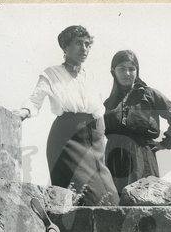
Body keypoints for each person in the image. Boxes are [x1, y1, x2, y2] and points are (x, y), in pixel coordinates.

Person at [13, 26, 119, 206]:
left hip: (94, 139)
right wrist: (24, 112)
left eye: (87, 44)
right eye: (78, 43)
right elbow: (35, 99)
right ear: (65, 46)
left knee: (109, 195)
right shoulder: (51, 73)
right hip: (67, 139)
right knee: (83, 195)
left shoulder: (91, 76)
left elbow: (98, 107)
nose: (84, 48)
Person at [104, 50, 171, 195]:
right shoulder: (110, 102)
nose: (127, 73)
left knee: (143, 198)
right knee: (114, 201)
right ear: (113, 71)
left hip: (141, 157)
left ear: (137, 71)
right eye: (121, 69)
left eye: (131, 69)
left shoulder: (149, 95)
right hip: (114, 159)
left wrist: (166, 142)